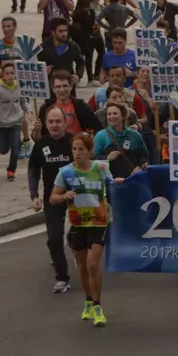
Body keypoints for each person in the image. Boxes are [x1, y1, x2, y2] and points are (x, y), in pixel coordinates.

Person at [50, 132, 124, 325]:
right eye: (74, 149)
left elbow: (111, 184)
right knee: (82, 266)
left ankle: (98, 306)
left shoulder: (101, 168)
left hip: (99, 221)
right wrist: (64, 196)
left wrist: (118, 182)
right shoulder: (65, 172)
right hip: (77, 223)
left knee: (92, 264)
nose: (77, 153)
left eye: (81, 149)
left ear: (90, 151)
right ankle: (88, 300)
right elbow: (53, 198)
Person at [28, 106, 75, 292]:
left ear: (65, 122)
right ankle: (62, 278)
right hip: (52, 198)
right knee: (55, 238)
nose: (54, 125)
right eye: (51, 122)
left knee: (77, 238)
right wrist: (34, 196)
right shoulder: (41, 145)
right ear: (46, 124)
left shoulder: (74, 141)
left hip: (76, 198)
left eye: (58, 121)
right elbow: (33, 171)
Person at [0, 61, 28, 183]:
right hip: (2, 124)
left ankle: (11, 171)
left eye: (12, 73)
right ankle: (13, 143)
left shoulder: (19, 87)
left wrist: (29, 110)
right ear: (3, 75)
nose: (10, 76)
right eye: (7, 73)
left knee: (15, 148)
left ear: (15, 74)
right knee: (3, 150)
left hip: (16, 122)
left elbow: (23, 102)